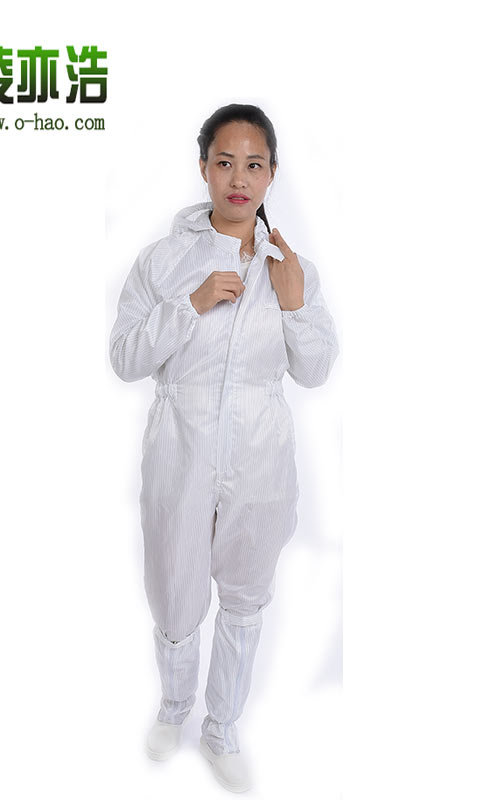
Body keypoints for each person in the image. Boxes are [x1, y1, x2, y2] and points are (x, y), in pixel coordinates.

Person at [109, 103, 339, 793]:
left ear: (273, 173)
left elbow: (315, 371)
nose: (239, 178)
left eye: (254, 164)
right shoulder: (165, 261)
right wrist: (190, 303)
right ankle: (174, 707)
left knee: (244, 594)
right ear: (204, 167)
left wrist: (293, 303)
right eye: (225, 162)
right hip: (180, 448)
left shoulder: (291, 269)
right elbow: (124, 358)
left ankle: (221, 728)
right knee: (174, 588)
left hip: (259, 454)